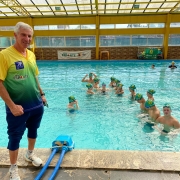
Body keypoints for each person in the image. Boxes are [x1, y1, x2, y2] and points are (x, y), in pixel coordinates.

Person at [0, 22, 47, 180]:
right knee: (15, 137)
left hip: (36, 104)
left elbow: (35, 76)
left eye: (29, 36)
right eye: (24, 35)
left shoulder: (31, 54)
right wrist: (12, 106)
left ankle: (30, 154)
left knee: (33, 131)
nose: (27, 38)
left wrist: (42, 94)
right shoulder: (5, 55)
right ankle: (13, 168)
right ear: (15, 35)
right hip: (17, 108)